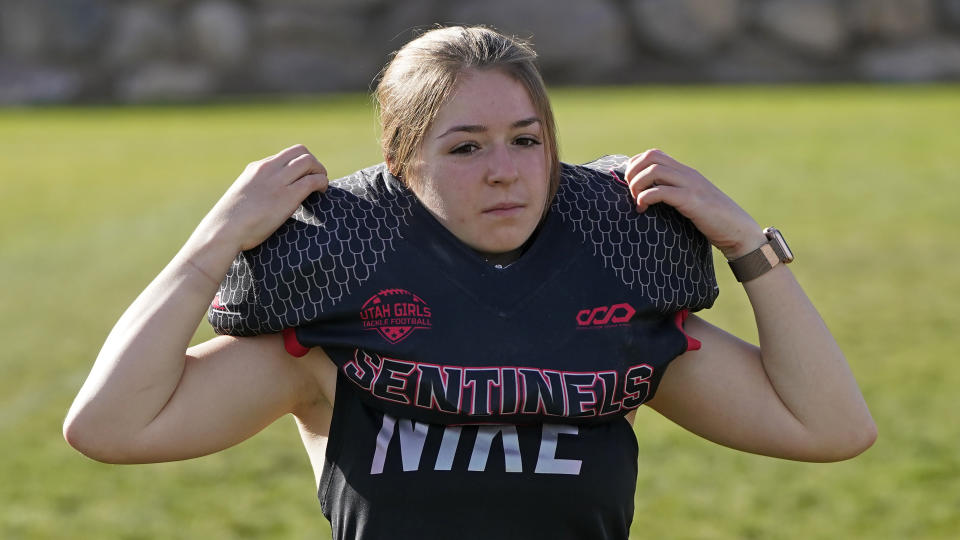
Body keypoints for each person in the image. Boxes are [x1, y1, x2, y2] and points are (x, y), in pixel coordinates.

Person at [64, 26, 876, 539]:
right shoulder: (330, 332)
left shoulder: (615, 307)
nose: (505, 173)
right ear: (401, 163)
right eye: (465, 148)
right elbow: (110, 428)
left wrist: (745, 244)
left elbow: (830, 428)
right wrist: (212, 245)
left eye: (526, 140)